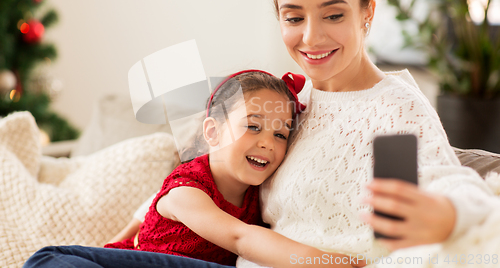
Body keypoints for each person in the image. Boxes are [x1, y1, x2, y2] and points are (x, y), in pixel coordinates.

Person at [24, 0, 496, 267]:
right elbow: (220, 172)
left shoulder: (392, 106)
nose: (311, 37)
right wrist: (143, 216)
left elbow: (453, 184)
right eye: (294, 17)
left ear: (367, 13)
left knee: (51, 260)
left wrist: (448, 214)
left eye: (333, 14)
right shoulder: (287, 101)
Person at [25, 70, 365, 268]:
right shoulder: (187, 189)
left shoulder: (261, 196)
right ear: (212, 132)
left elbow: (140, 216)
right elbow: (240, 238)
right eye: (253, 126)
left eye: (280, 134)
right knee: (50, 260)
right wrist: (330, 262)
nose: (268, 143)